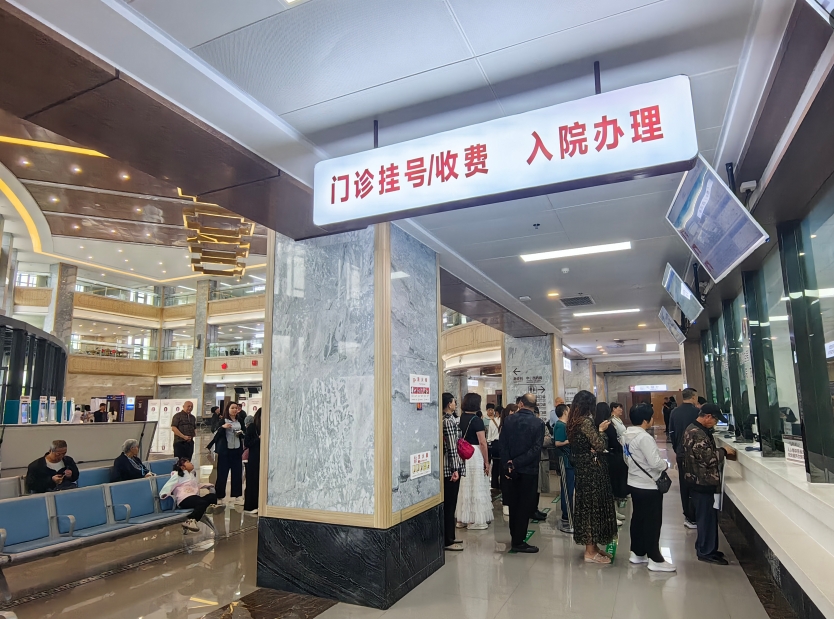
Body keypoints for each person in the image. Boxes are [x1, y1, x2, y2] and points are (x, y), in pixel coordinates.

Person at [623, 404, 676, 572]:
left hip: (634, 482)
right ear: (646, 420)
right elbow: (655, 463)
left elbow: (626, 459)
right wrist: (665, 465)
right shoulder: (644, 438)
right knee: (652, 521)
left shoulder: (626, 435)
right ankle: (655, 559)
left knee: (638, 518)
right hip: (649, 485)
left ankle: (637, 552)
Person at [681, 403, 735, 564]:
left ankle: (707, 547)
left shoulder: (694, 429)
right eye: (715, 420)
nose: (715, 423)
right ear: (708, 417)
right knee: (706, 518)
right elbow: (708, 459)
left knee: (707, 518)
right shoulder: (697, 433)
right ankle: (706, 551)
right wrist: (724, 451)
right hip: (701, 481)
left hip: (698, 480)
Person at [568, 390, 618, 564]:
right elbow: (600, 445)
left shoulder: (573, 422)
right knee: (592, 509)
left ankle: (594, 547)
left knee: (588, 506)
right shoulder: (586, 422)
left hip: (583, 469)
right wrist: (601, 431)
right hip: (592, 471)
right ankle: (590, 551)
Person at [499, 393, 544, 553]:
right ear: (534, 406)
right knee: (524, 506)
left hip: (510, 471)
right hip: (528, 470)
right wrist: (517, 462)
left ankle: (515, 537)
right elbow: (536, 449)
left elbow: (503, 444)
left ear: (521, 404)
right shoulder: (538, 423)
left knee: (513, 505)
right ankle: (519, 541)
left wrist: (508, 463)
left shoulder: (509, 420)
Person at [455, 393, 493, 530]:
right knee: (476, 485)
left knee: (464, 486)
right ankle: (475, 521)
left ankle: (461, 519)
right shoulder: (477, 420)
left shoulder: (459, 419)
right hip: (474, 454)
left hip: (462, 453)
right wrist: (486, 462)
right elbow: (482, 442)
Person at [668, 388, 702, 528]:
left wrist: (677, 448)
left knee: (684, 484)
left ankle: (688, 516)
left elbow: (671, 432)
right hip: (696, 454)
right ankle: (697, 515)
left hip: (681, 453)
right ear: (693, 397)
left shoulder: (674, 412)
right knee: (697, 484)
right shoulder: (697, 412)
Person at [159, 457, 219, 532]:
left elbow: (195, 486)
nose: (191, 463)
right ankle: (190, 520)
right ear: (182, 467)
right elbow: (169, 485)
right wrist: (164, 493)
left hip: (194, 498)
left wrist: (207, 485)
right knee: (202, 502)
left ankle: (211, 506)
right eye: (188, 462)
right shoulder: (177, 475)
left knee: (212, 496)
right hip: (184, 499)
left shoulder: (191, 475)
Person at [207, 402, 245, 505]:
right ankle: (220, 496)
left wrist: (241, 433)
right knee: (222, 474)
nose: (234, 410)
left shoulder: (240, 420)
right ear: (228, 409)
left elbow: (244, 432)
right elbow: (215, 433)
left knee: (237, 473)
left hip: (236, 450)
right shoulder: (223, 420)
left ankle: (237, 496)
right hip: (225, 451)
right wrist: (223, 427)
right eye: (232, 408)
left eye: (236, 408)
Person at [442, 393, 465, 551]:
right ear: (449, 404)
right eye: (454, 402)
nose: (455, 404)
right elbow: (451, 447)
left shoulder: (446, 419)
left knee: (451, 505)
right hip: (450, 469)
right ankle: (448, 540)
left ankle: (450, 535)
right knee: (450, 506)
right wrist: (455, 469)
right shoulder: (448, 421)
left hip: (449, 467)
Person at [552, 403, 574, 534]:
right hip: (565, 461)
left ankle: (569, 512)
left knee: (570, 488)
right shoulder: (560, 425)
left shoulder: (566, 425)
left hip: (570, 462)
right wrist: (569, 441)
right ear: (565, 412)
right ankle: (566, 514)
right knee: (567, 489)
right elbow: (557, 442)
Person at [604, 402, 629, 511]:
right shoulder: (611, 421)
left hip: (623, 447)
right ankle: (619, 494)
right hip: (617, 448)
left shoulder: (618, 420)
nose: (621, 410)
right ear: (613, 409)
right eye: (619, 408)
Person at [499, 403, 517, 516]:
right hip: (506, 459)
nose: (514, 414)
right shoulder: (504, 426)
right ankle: (506, 504)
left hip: (514, 458)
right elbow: (503, 446)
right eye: (512, 412)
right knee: (506, 482)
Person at [243, 408, 262, 514]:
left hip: (263, 458)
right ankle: (250, 506)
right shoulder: (252, 427)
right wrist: (258, 438)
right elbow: (247, 443)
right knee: (252, 481)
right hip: (254, 458)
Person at [486, 404, 502, 493]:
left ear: (497, 412)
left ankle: (494, 483)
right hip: (502, 443)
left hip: (494, 444)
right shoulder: (504, 421)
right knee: (502, 463)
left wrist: (489, 443)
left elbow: (489, 436)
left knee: (495, 464)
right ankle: (501, 483)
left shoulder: (492, 421)